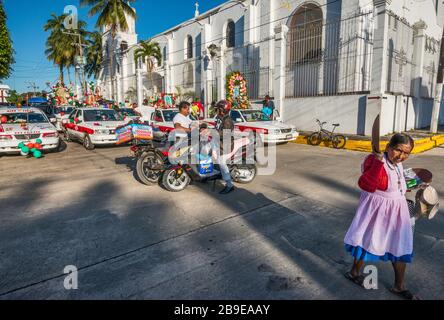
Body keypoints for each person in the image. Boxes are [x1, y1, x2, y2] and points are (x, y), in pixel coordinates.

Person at [343, 133, 418, 300]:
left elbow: (395, 183)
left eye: (407, 153)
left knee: (400, 245)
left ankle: (399, 286)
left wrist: (407, 186)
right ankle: (354, 272)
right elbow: (366, 184)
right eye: (398, 150)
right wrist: (377, 160)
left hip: (398, 211)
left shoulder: (397, 164)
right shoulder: (374, 160)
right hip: (376, 211)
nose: (402, 156)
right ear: (388, 147)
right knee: (366, 241)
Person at [214, 100, 235, 195]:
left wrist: (212, 133)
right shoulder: (219, 117)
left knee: (221, 163)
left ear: (222, 110)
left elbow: (225, 134)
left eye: (218, 108)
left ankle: (229, 185)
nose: (216, 110)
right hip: (219, 142)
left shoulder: (228, 120)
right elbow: (217, 128)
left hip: (225, 145)